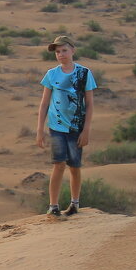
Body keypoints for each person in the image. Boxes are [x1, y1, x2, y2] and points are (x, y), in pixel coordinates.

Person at [36, 35, 96, 216]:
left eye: (64, 50)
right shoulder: (51, 74)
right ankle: (53, 206)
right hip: (56, 127)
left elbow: (90, 103)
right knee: (58, 164)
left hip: (76, 127)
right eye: (57, 52)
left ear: (72, 51)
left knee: (75, 166)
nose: (61, 54)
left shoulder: (84, 73)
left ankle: (74, 203)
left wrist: (86, 130)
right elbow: (44, 103)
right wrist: (39, 129)